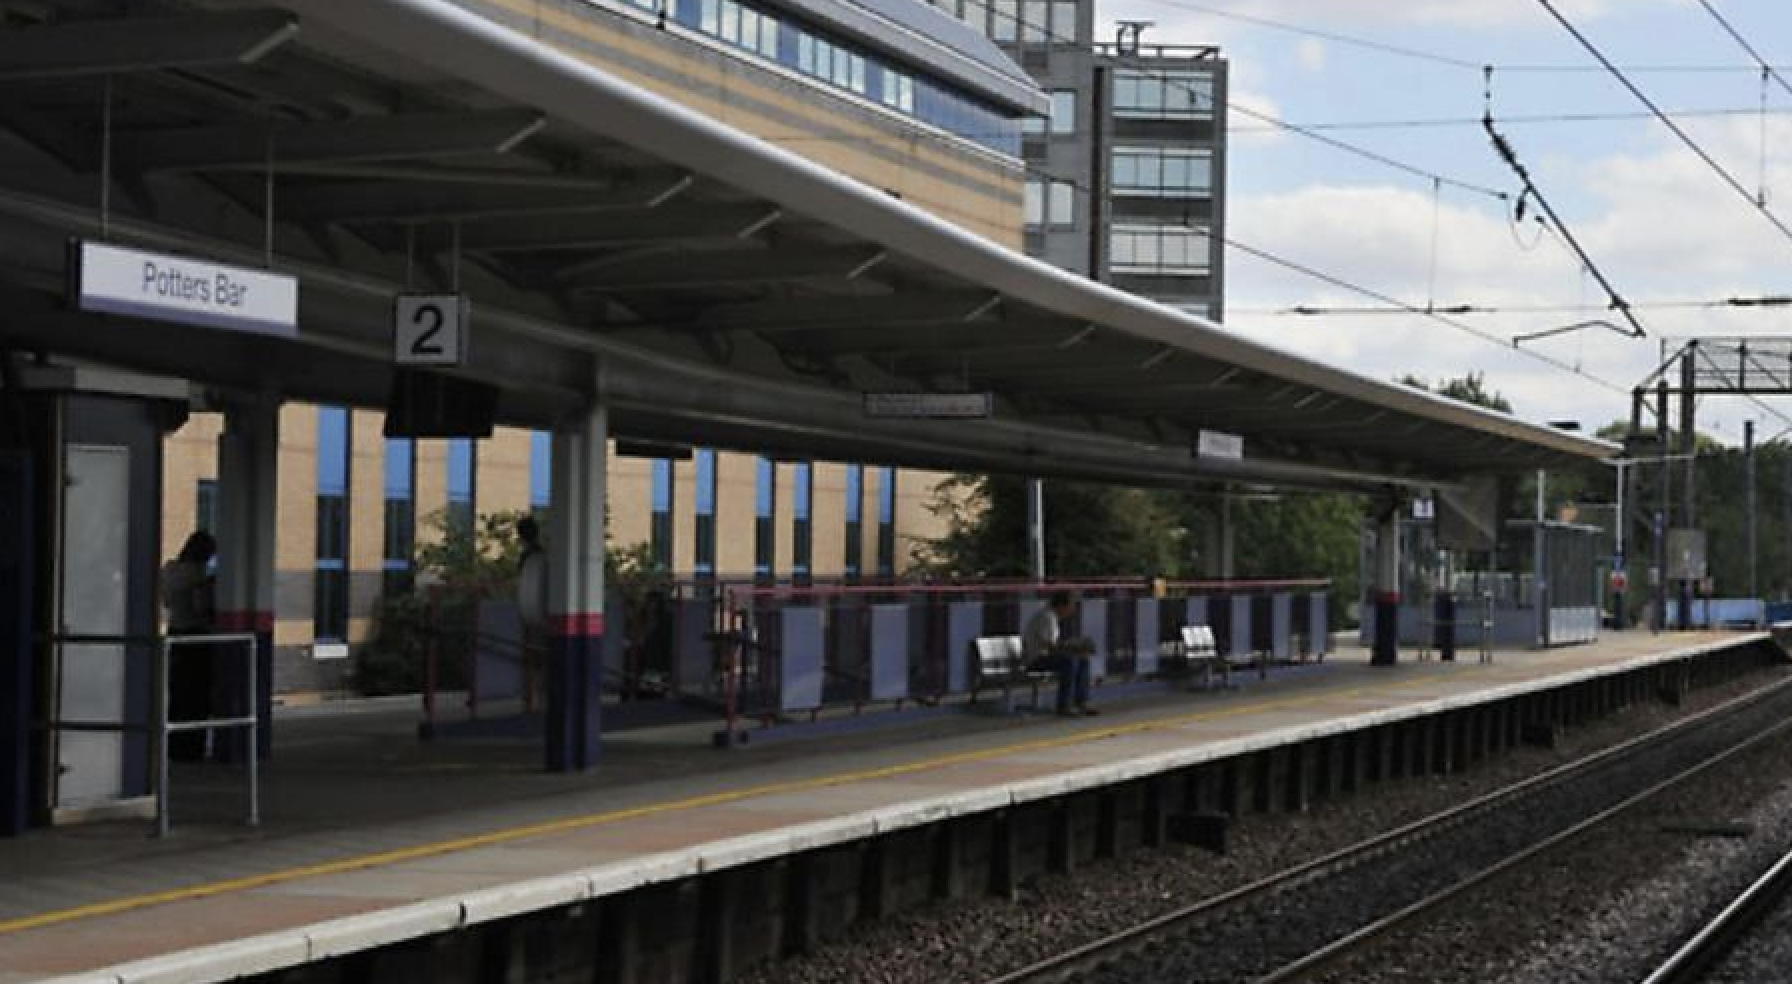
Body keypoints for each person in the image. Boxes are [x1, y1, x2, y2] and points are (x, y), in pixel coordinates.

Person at [160, 531, 216, 761]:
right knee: (197, 695)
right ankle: (193, 747)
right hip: (197, 637)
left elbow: (165, 602)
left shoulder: (169, 571)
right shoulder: (200, 575)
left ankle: (174, 745)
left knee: (177, 692)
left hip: (175, 633)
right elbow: (201, 608)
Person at [1022, 590, 1098, 717]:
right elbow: (1049, 645)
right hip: (1036, 659)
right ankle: (1064, 705)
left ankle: (1081, 702)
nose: (1073, 609)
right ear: (1062, 605)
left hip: (1046, 657)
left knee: (1083, 660)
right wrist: (1072, 647)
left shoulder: (1052, 617)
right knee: (1070, 662)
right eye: (1071, 605)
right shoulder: (1047, 617)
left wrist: (1075, 649)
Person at [514, 517, 548, 707]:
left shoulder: (529, 557)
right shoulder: (541, 555)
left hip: (532, 611)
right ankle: (538, 694)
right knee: (540, 655)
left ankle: (534, 695)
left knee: (534, 654)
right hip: (540, 610)